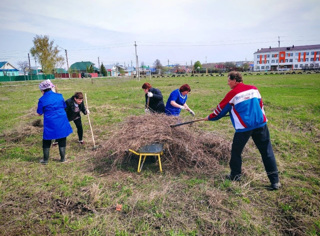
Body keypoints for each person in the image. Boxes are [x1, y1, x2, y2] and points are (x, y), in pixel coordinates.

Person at [204, 71, 280, 190]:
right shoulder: (254, 89)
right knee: (267, 152)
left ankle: (235, 176)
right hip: (261, 124)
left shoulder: (233, 94)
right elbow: (260, 105)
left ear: (235, 80)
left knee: (236, 152)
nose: (228, 83)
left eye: (229, 80)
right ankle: (275, 182)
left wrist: (210, 117)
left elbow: (220, 110)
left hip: (244, 128)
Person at [37, 80, 73, 164]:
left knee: (47, 139)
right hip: (61, 119)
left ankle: (45, 160)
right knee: (62, 137)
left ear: (42, 91)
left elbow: (39, 113)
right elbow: (64, 106)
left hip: (50, 121)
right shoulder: (59, 96)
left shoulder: (42, 99)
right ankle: (63, 159)